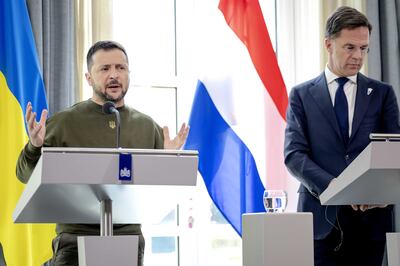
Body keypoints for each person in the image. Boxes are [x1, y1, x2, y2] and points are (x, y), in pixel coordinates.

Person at [16, 40, 189, 266]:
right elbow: (24, 175)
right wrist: (35, 147)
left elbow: (162, 193)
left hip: (129, 241)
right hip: (74, 243)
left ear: (129, 73)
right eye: (105, 69)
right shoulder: (63, 122)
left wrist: (169, 161)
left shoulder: (148, 127)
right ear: (89, 78)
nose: (114, 75)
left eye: (120, 68)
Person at [284, 6, 400, 266]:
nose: (358, 56)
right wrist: (338, 188)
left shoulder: (382, 94)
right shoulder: (301, 95)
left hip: (371, 223)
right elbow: (294, 155)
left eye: (364, 48)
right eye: (350, 47)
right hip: (319, 219)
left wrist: (378, 193)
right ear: (328, 44)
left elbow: (393, 152)